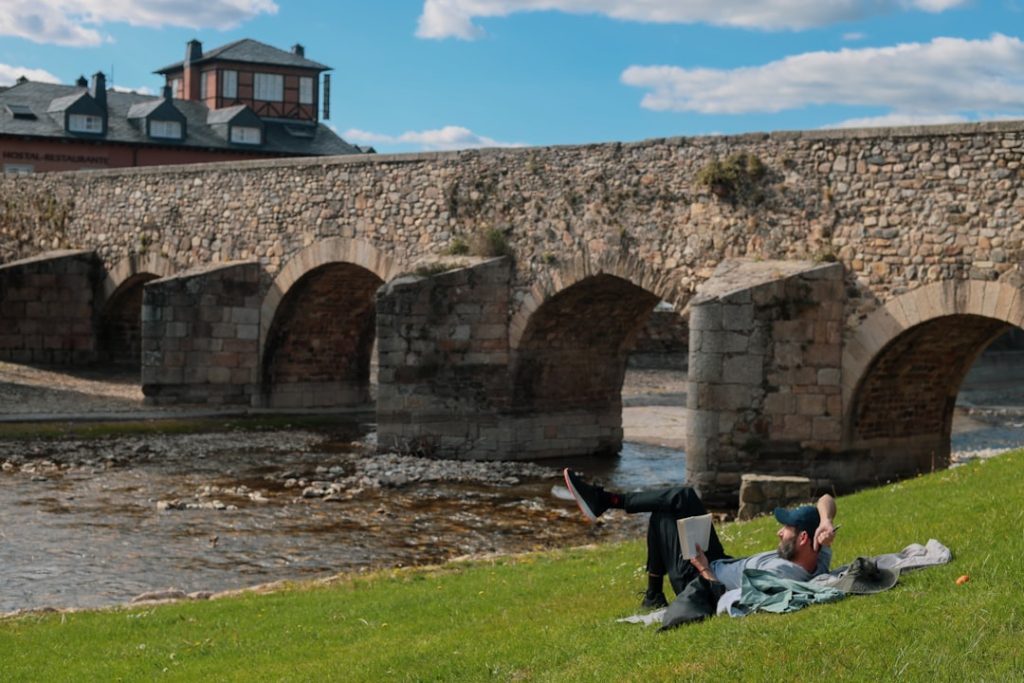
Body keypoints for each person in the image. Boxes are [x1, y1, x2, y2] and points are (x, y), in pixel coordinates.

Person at [562, 468, 837, 623]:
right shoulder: (816, 556)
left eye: (786, 529)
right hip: (721, 560)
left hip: (700, 578)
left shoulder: (781, 575)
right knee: (675, 501)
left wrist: (704, 569)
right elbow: (825, 498)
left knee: (669, 507)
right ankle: (607, 503)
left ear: (801, 538)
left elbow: (729, 598)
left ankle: (607, 502)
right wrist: (825, 520)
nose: (779, 532)